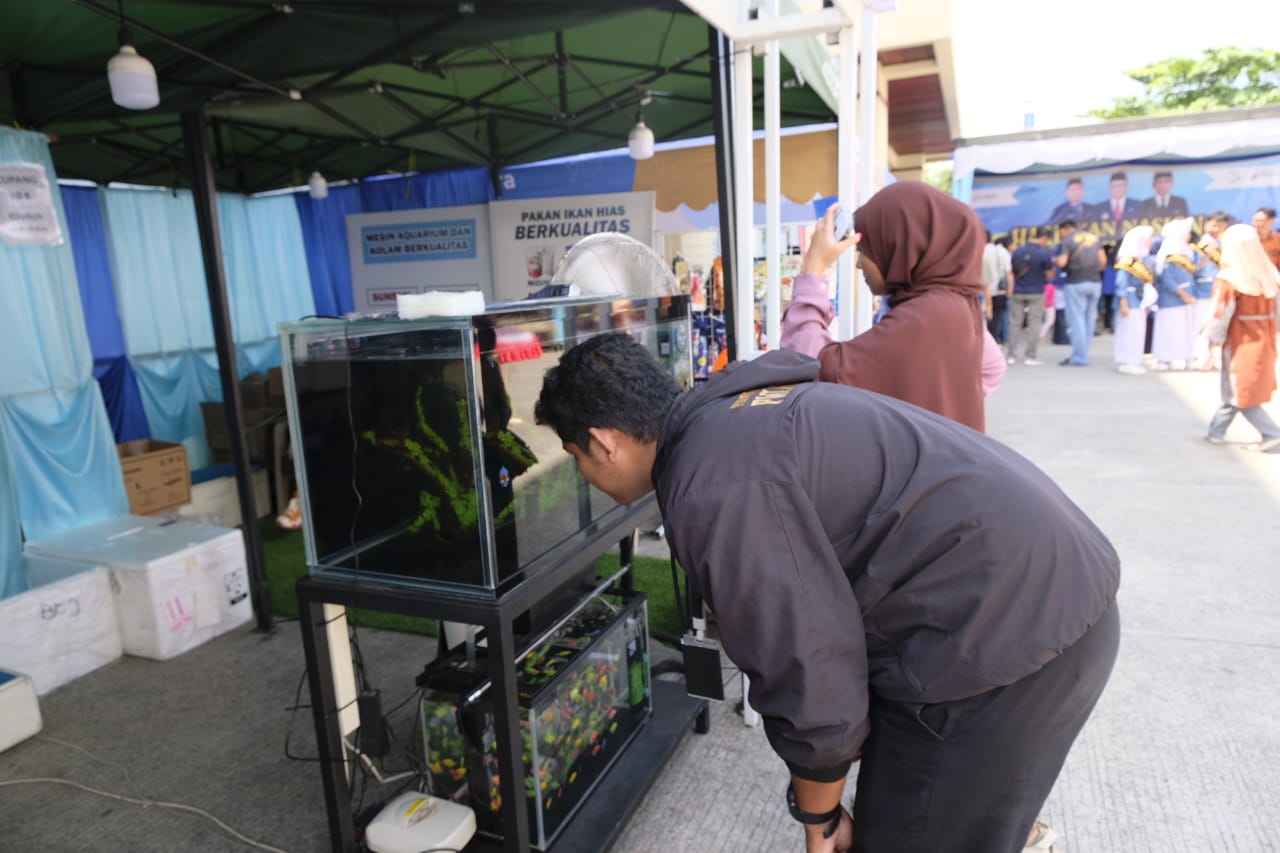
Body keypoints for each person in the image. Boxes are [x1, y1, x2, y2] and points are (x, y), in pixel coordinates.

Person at [535, 333, 1121, 853]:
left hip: (1005, 642)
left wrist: (817, 815)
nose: (583, 473)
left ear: (604, 442)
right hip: (1050, 590)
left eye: (575, 458)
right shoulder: (742, 413)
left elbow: (808, 668)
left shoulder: (712, 483)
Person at [780, 181, 989, 431]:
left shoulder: (929, 315)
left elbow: (810, 367)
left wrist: (812, 269)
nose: (859, 265)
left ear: (900, 247)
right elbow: (992, 367)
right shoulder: (956, 304)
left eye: (866, 251)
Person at [1204, 224, 1280, 451]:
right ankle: (1216, 431)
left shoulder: (1229, 279)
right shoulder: (1270, 275)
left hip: (1240, 341)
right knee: (1242, 388)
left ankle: (1271, 433)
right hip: (1265, 340)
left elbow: (1220, 316)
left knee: (1241, 391)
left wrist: (1211, 345)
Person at [1053, 219, 1107, 366]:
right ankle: (1083, 352)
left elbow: (1063, 262)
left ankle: (1079, 357)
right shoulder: (1093, 238)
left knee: (1076, 320)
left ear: (1064, 229)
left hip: (1075, 282)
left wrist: (1056, 261)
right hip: (1095, 282)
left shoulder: (1067, 240)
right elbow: (1103, 261)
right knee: (1089, 320)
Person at [1151, 218, 1198, 371]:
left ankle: (1187, 357)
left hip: (1187, 297)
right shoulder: (1168, 252)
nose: (1188, 236)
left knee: (1185, 330)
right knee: (1168, 329)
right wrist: (1182, 293)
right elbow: (1166, 278)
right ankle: (1164, 359)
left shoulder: (1188, 251)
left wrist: (1188, 294)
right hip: (1170, 298)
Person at [1005, 226, 1056, 365]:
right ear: (1045, 238)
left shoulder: (1018, 250)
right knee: (1034, 323)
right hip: (1036, 292)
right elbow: (1050, 274)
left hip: (1018, 291)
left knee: (1015, 323)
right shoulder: (1044, 253)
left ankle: (1011, 355)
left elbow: (1012, 269)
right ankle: (1030, 356)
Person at [1111, 225, 1156, 375]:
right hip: (1130, 302)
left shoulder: (1140, 260)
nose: (1151, 242)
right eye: (1148, 239)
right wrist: (1123, 302)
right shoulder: (1127, 261)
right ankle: (1127, 361)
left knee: (1136, 332)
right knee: (1129, 332)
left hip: (1139, 302)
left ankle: (1133, 360)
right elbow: (1120, 283)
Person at [982, 232, 1014, 343]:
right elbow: (1009, 273)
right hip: (999, 290)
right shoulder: (1001, 251)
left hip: (981, 291)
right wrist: (1009, 290)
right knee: (997, 318)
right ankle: (995, 341)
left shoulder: (978, 251)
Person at [1252, 207, 1280, 271]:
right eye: (1254, 220)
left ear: (1272, 220)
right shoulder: (1246, 240)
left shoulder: (1277, 239)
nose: (1255, 224)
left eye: (1259, 220)